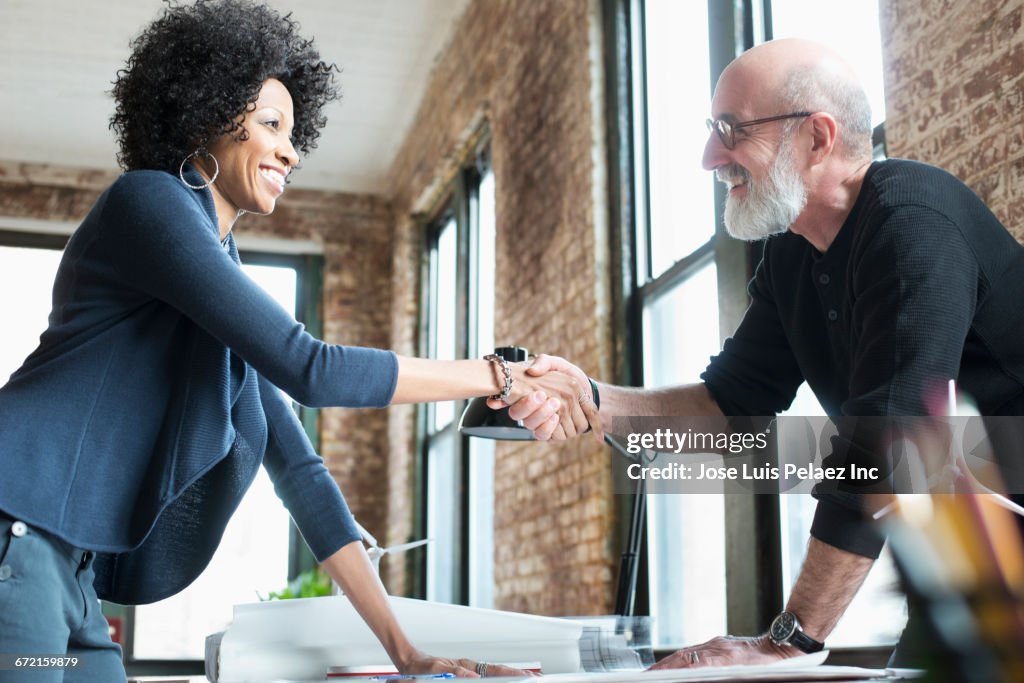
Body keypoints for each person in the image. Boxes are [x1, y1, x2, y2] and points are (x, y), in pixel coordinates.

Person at [0, 2, 597, 680]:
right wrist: (500, 375)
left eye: (294, 129)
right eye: (271, 124)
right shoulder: (151, 203)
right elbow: (311, 368)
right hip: (14, 542)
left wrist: (407, 654)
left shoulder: (210, 287)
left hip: (68, 577)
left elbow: (302, 475)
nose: (292, 148)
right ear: (205, 117)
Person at [504, 37, 1024, 669]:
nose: (708, 158)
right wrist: (591, 397)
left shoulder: (912, 220)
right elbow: (731, 403)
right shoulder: (790, 257)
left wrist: (787, 643)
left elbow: (886, 439)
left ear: (816, 138)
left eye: (730, 129)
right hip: (969, 558)